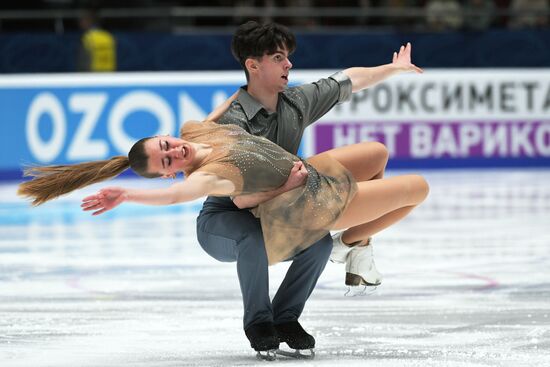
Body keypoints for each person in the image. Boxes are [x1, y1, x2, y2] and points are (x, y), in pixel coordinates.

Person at [17, 119, 429, 348]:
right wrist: (128, 194)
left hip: (310, 170)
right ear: (168, 172)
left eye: (166, 144)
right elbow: (185, 195)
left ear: (168, 134)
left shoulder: (197, 130)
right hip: (311, 203)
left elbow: (233, 104)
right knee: (417, 189)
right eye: (166, 161)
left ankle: (355, 243)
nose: (173, 151)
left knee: (378, 151)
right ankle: (351, 242)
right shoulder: (210, 176)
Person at [194, 21, 422, 354]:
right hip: (227, 218)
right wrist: (290, 185)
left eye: (287, 56)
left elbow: (349, 80)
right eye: (278, 57)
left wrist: (392, 68)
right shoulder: (234, 121)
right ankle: (258, 322)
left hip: (280, 200)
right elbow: (242, 200)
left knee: (317, 244)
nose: (289, 64)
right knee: (252, 237)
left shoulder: (295, 102)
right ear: (253, 65)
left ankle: (287, 316)